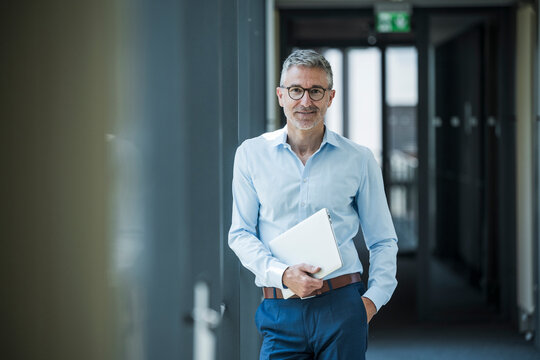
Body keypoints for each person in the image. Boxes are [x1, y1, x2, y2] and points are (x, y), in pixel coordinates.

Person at [228, 49, 398, 359]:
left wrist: (372, 301)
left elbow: (383, 240)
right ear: (281, 95)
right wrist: (282, 274)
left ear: (330, 97)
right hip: (280, 308)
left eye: (316, 91)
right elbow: (240, 234)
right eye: (296, 90)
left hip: (342, 306)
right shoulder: (251, 155)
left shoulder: (358, 159)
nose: (306, 101)